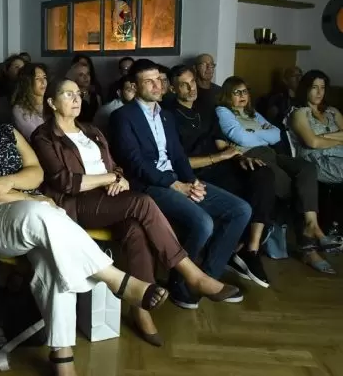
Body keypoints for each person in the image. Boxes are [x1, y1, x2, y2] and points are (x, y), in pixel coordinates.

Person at [0, 71, 169, 376]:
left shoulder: (7, 131)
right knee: (43, 212)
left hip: (30, 215)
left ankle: (63, 358)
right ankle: (116, 279)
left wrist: (7, 181)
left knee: (56, 258)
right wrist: (28, 196)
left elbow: (37, 172)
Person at [31, 78, 239, 346]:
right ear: (51, 102)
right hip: (76, 202)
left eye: (78, 93)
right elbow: (65, 182)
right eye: (67, 94)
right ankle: (193, 275)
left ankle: (141, 308)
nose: (76, 98)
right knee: (142, 202)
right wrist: (109, 178)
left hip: (110, 197)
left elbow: (115, 166)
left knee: (135, 229)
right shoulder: (44, 136)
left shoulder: (90, 130)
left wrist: (119, 178)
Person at [109, 59, 251, 309]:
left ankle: (204, 278)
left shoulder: (166, 115)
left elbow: (177, 156)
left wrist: (193, 181)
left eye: (159, 80)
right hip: (148, 185)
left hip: (177, 179)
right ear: (135, 86)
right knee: (203, 223)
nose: (157, 86)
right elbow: (135, 164)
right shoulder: (122, 117)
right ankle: (180, 283)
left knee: (241, 210)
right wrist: (175, 185)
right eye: (149, 81)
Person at [216, 76, 339, 274]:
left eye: (245, 91)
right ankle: (309, 247)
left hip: (271, 153)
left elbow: (276, 135)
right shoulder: (223, 112)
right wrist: (261, 132)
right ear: (227, 95)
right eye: (236, 92)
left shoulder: (253, 113)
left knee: (307, 168)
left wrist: (253, 131)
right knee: (293, 188)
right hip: (252, 155)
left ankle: (312, 223)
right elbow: (240, 138)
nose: (242, 96)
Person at [169, 65, 276, 288]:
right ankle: (222, 260)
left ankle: (251, 249)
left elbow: (220, 143)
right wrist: (218, 158)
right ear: (172, 89)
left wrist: (239, 158)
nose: (191, 88)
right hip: (193, 174)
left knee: (262, 173)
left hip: (220, 166)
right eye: (184, 85)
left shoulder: (205, 108)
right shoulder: (168, 116)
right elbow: (178, 162)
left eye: (192, 82)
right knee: (243, 200)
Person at [290, 70, 343, 184]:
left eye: (322, 88)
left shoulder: (332, 111)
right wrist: (339, 141)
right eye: (314, 87)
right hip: (315, 160)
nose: (319, 92)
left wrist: (323, 136)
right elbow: (313, 143)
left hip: (338, 154)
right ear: (306, 89)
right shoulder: (300, 113)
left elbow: (317, 139)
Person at [11, 62, 47, 139]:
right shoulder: (20, 109)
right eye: (37, 78)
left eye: (44, 77)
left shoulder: (51, 102)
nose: (43, 82)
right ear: (27, 82)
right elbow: (35, 137)